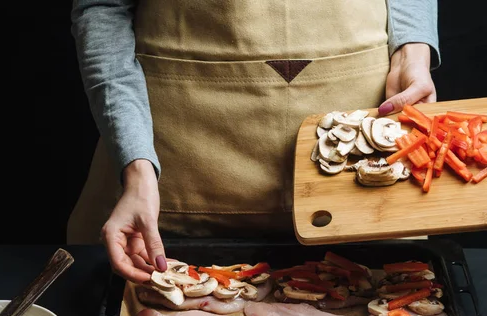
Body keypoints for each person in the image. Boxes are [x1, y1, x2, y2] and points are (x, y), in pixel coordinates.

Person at [68, 0, 439, 284]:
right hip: (169, 180)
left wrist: (412, 51)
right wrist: (136, 167)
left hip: (364, 166)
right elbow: (103, 8)